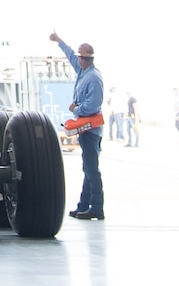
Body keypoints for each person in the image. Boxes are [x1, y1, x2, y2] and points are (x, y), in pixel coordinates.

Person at [49, 30, 104, 221]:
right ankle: (84, 206)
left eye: (80, 57)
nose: (77, 59)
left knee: (91, 169)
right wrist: (59, 41)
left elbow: (93, 105)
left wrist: (76, 108)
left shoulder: (93, 78)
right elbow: (70, 55)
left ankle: (96, 207)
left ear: (85, 59)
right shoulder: (84, 71)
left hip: (91, 130)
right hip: (87, 129)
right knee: (88, 168)